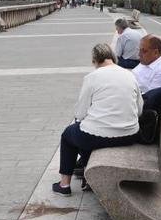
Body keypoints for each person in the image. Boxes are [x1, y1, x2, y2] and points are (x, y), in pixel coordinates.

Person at [53, 44, 143, 196]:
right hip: (130, 135)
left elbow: (80, 113)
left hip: (101, 137)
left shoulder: (92, 77)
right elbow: (139, 109)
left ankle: (64, 185)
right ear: (113, 58)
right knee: (88, 130)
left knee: (69, 134)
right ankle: (89, 176)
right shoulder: (130, 75)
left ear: (95, 60)